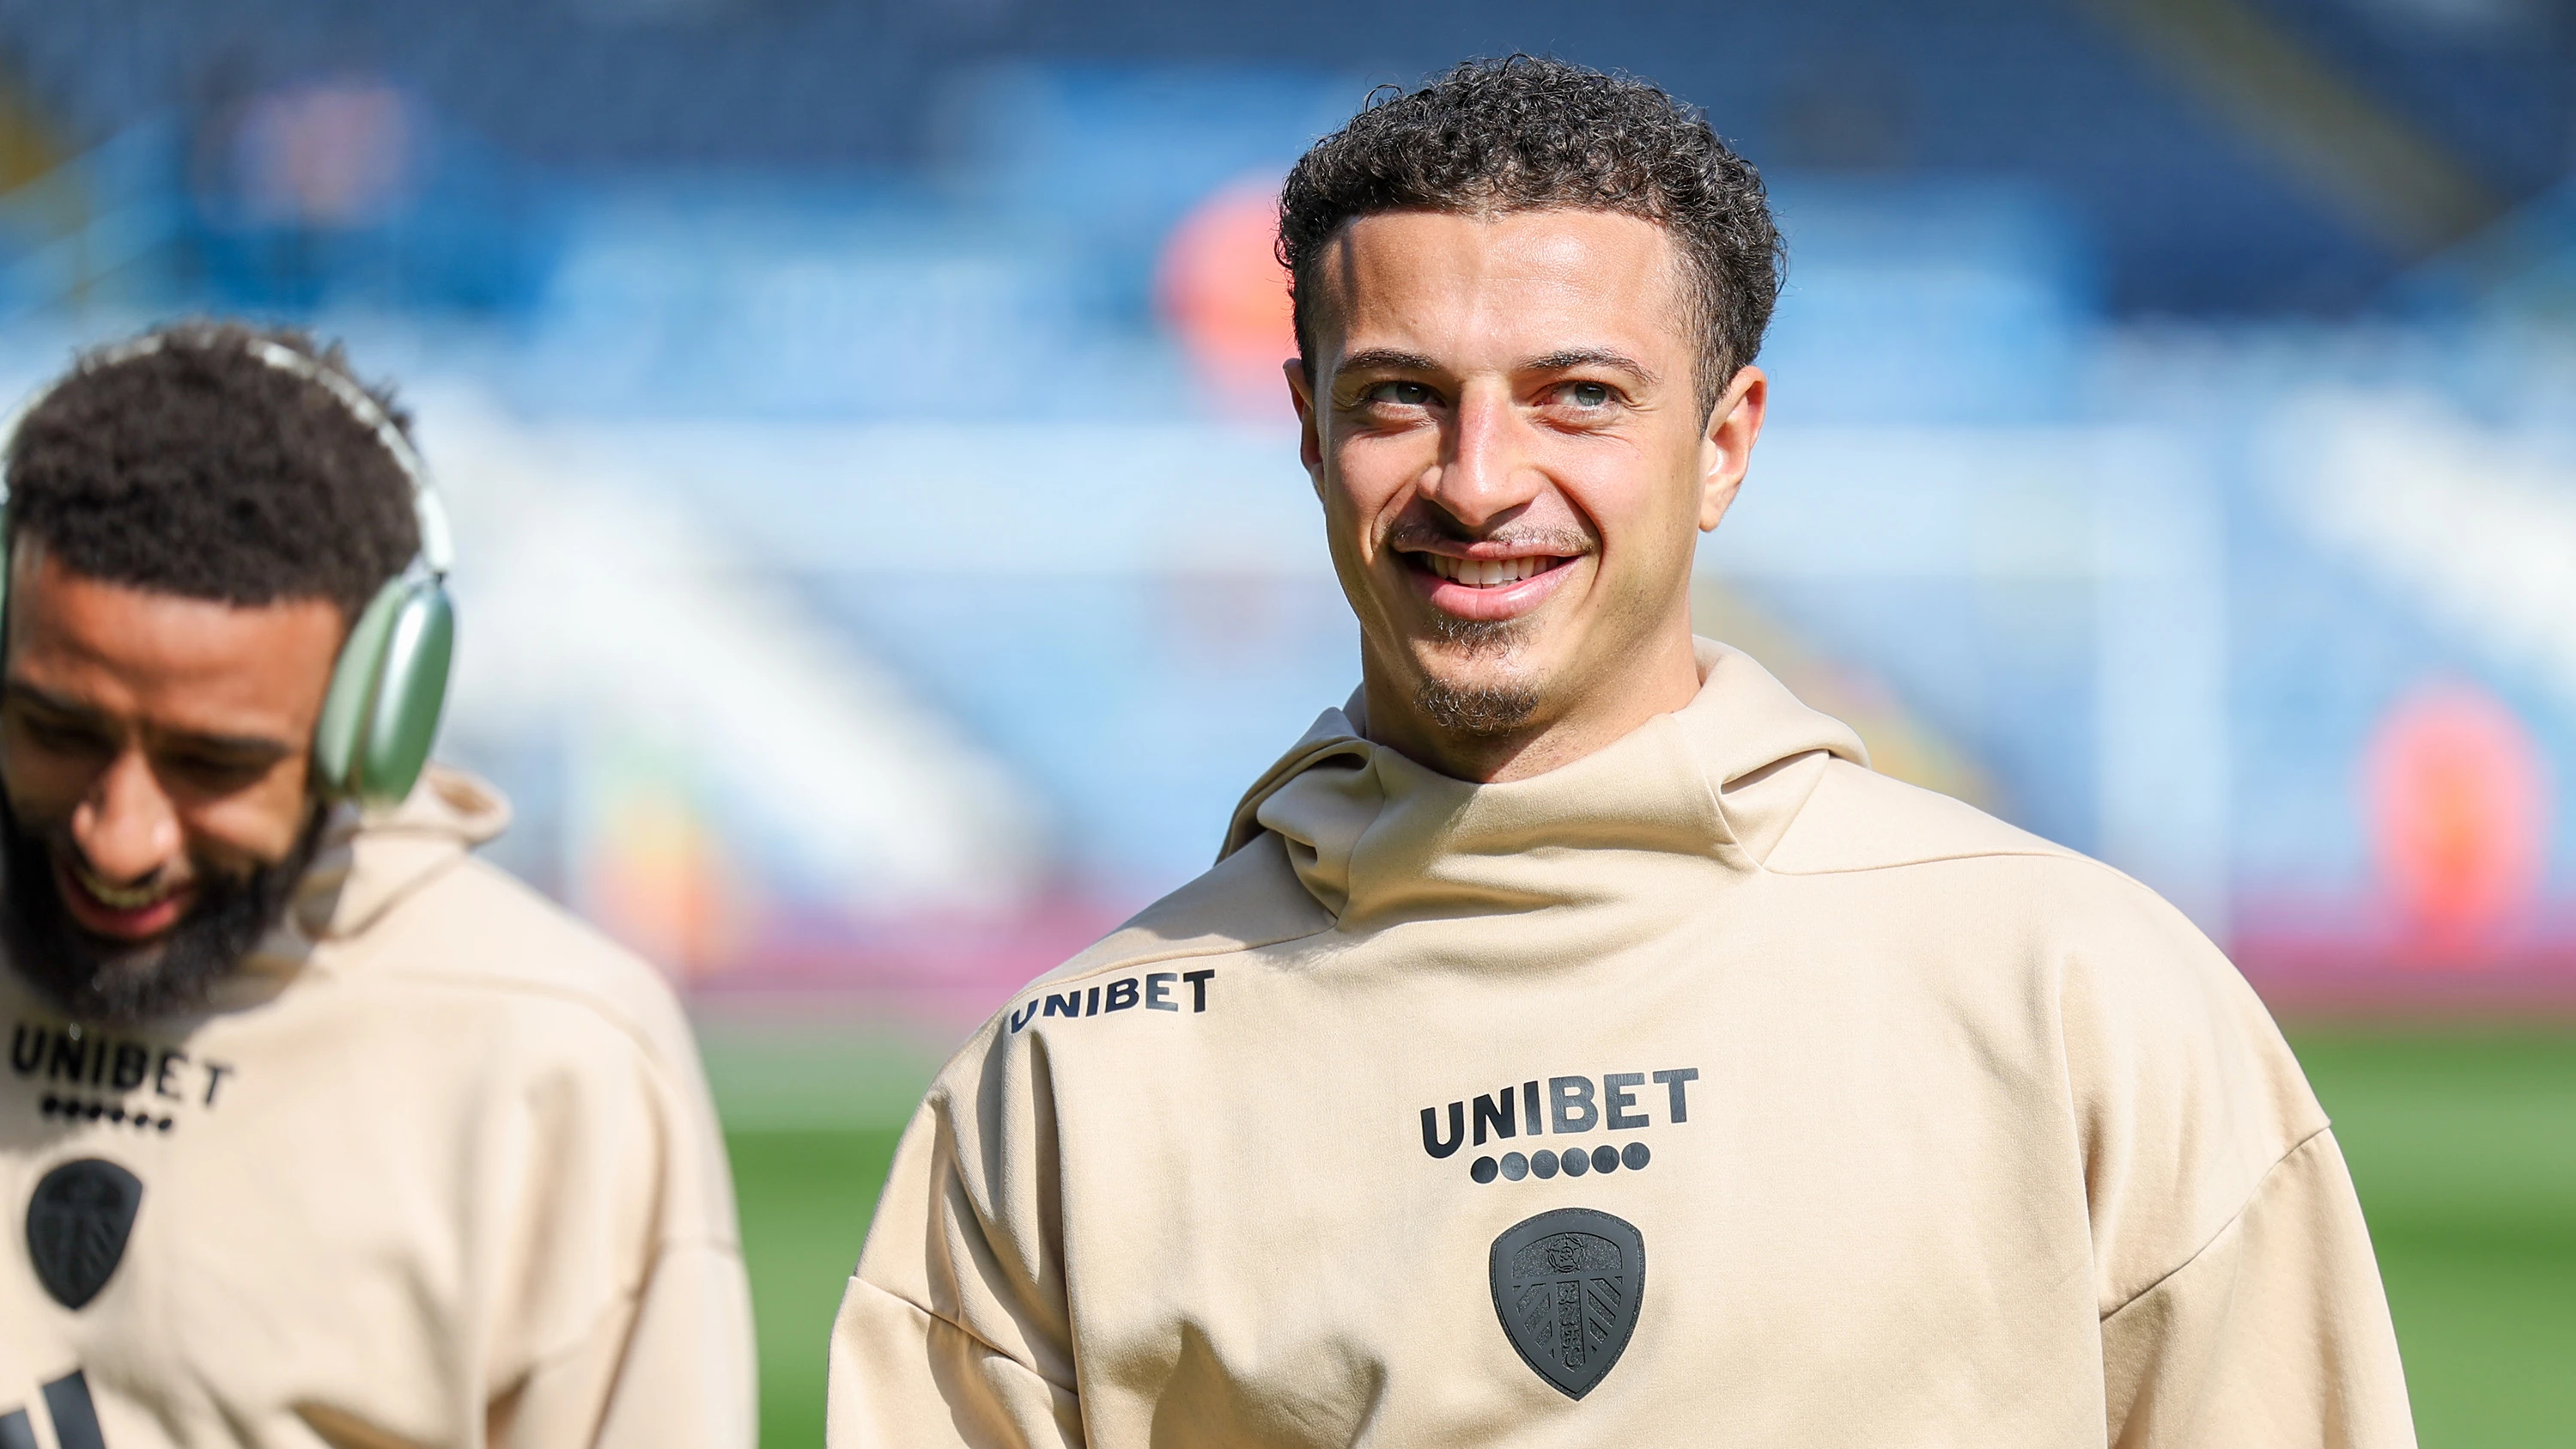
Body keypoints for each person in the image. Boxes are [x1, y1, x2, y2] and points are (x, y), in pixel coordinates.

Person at [829, 58, 2413, 1447]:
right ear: (1308, 427)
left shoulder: (2085, 992)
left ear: (1724, 443)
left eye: (1577, 395)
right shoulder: (1066, 1082)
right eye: (1401, 397)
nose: (1478, 479)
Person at [0, 323, 756, 1448]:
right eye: (57, 731)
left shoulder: (558, 1053)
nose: (120, 839)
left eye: (214, 763)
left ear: (371, 730)